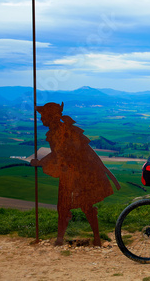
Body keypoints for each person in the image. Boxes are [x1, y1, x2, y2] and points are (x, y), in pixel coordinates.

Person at [30, 102, 120, 246]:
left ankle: (95, 238)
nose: (41, 119)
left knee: (84, 205)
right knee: (64, 206)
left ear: (51, 116)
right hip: (69, 173)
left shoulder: (61, 131)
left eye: (43, 115)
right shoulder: (56, 131)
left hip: (77, 173)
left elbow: (59, 154)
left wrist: (40, 162)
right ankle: (61, 239)